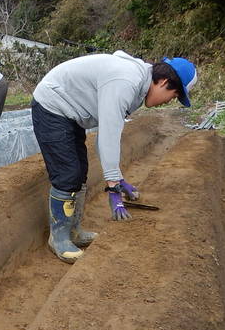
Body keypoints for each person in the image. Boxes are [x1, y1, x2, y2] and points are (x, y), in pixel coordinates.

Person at [32, 50, 197, 263]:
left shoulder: (138, 86)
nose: (169, 101)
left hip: (70, 113)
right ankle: (59, 238)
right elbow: (108, 135)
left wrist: (117, 178)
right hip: (52, 106)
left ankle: (73, 231)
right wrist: (113, 186)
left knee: (80, 171)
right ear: (163, 82)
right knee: (67, 174)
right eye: (174, 96)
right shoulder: (126, 82)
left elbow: (109, 135)